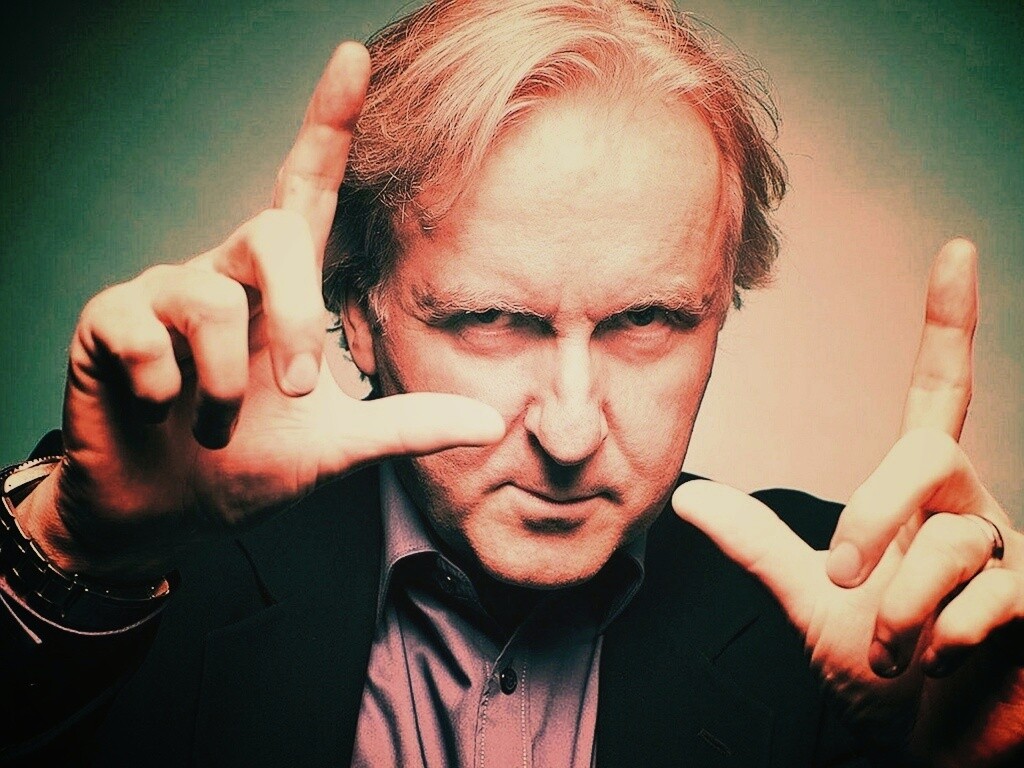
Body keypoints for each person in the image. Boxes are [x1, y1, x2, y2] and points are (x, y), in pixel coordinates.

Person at [1, 0, 1021, 766]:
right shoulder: (144, 577)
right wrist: (80, 551)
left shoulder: (881, 626)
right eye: (492, 320)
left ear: (720, 308)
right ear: (356, 314)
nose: (571, 432)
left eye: (647, 321)